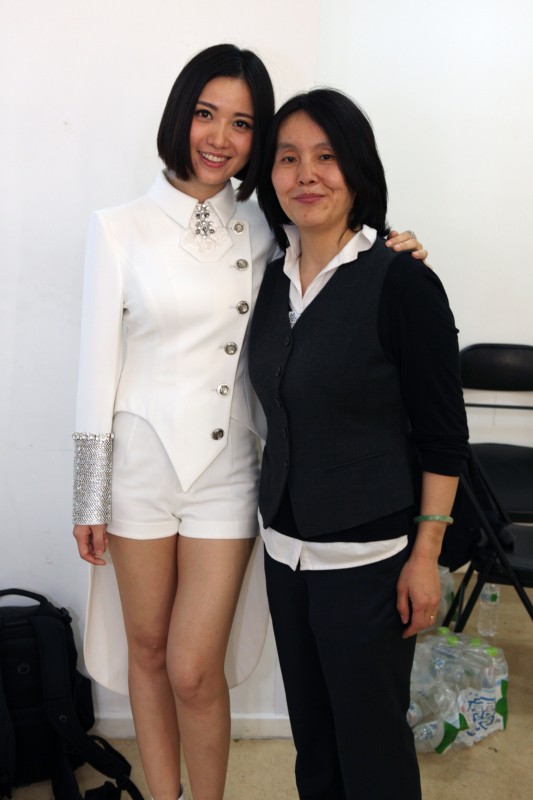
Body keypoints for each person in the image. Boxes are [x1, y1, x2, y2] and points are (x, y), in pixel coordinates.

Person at [72, 44, 428, 800]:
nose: (220, 137)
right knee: (146, 649)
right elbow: (95, 370)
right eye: (206, 114)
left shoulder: (267, 226)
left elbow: (340, 252)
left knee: (192, 666)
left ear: (256, 138)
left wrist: (397, 245)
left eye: (241, 123)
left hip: (230, 471)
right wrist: (86, 495)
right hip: (137, 468)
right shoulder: (118, 227)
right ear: (181, 116)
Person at [248, 88, 469, 800]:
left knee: (372, 748)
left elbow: (443, 435)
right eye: (288, 158)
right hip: (284, 550)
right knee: (313, 743)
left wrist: (425, 557)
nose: (306, 174)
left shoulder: (402, 281)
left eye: (326, 156)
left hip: (369, 560)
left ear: (357, 169)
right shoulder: (269, 277)